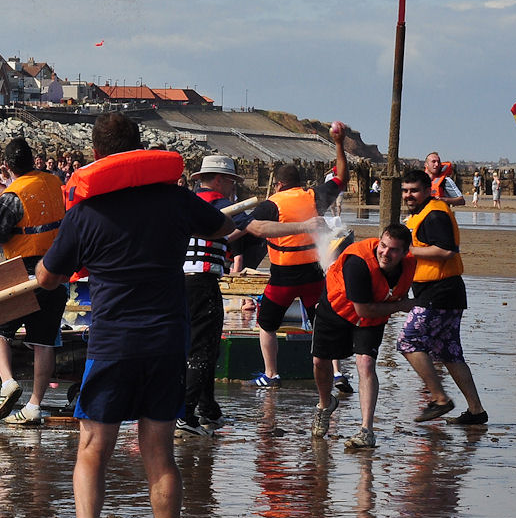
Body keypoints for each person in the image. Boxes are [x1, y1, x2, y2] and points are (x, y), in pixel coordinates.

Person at [37, 113, 230, 518]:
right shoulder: (175, 199)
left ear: (98, 155)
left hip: (113, 344)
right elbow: (223, 227)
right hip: (167, 342)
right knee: (159, 453)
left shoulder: (87, 212)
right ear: (141, 149)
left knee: (92, 448)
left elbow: (48, 277)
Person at [179, 155, 323, 433]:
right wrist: (304, 227)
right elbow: (257, 228)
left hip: (180, 282)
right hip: (200, 283)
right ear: (220, 180)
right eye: (232, 182)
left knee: (200, 346)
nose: (234, 188)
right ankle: (185, 415)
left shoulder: (190, 202)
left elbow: (224, 235)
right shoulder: (220, 204)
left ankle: (208, 410)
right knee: (203, 350)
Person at [250, 127, 347, 386]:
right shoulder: (314, 196)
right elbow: (342, 177)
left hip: (283, 276)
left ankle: (271, 374)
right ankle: (337, 372)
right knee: (322, 322)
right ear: (300, 182)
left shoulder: (271, 204)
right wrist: (339, 143)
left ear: (279, 184)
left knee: (266, 324)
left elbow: (251, 228)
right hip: (313, 273)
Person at [309, 225, 419, 449]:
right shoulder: (357, 262)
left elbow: (406, 292)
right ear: (378, 242)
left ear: (406, 252)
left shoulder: (411, 264)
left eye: (394, 250)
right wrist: (401, 306)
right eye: (383, 246)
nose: (386, 253)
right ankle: (325, 405)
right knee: (320, 362)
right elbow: (364, 310)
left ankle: (366, 430)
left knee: (366, 364)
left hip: (373, 316)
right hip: (336, 308)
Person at [0, 138, 68, 426]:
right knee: (44, 343)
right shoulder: (54, 182)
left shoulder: (11, 195)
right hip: (56, 274)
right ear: (34, 160)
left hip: (23, 275)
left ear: (6, 166)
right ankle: (34, 406)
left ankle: (7, 382)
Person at [398, 169, 488, 425]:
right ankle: (476, 411)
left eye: (414, 190)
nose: (408, 195)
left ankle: (440, 399)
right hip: (441, 292)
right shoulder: (420, 213)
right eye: (405, 191)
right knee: (449, 353)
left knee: (408, 340)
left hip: (442, 291)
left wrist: (406, 249)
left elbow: (446, 251)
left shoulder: (435, 213)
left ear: (428, 190)